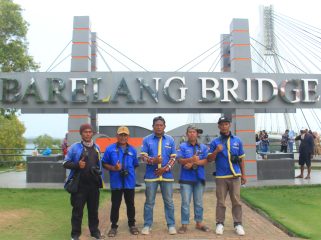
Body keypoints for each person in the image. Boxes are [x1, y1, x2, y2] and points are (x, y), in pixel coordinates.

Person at [63, 124, 104, 240]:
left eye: (90, 132)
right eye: (85, 132)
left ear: (92, 134)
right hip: (79, 186)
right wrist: (77, 165)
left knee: (93, 211)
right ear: (81, 134)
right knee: (77, 212)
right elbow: (64, 163)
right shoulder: (74, 148)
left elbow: (99, 165)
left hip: (93, 186)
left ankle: (95, 232)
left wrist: (97, 172)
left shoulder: (97, 148)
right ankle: (75, 235)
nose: (88, 134)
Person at [207, 116, 246, 236]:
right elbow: (209, 159)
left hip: (235, 175)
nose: (224, 126)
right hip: (221, 176)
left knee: (237, 201)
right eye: (222, 124)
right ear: (219, 126)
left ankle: (238, 224)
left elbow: (241, 159)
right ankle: (220, 223)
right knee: (221, 202)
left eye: (226, 124)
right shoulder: (215, 142)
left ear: (229, 125)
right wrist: (216, 151)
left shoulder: (237, 140)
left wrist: (244, 175)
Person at [140, 116, 177, 235]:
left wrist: (165, 168)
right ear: (153, 127)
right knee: (149, 202)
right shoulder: (146, 139)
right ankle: (147, 225)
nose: (159, 127)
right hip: (151, 176)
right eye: (157, 125)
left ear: (164, 126)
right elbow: (143, 157)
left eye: (161, 125)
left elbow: (173, 157)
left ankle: (171, 225)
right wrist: (153, 161)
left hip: (167, 176)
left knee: (169, 202)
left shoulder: (170, 139)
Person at [102, 126, 139, 237]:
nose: (123, 137)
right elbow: (104, 163)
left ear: (128, 136)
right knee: (115, 205)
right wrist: (114, 168)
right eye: (121, 135)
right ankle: (113, 227)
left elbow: (135, 164)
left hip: (129, 182)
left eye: (125, 135)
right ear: (117, 136)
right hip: (116, 182)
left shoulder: (132, 149)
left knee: (130, 205)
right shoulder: (110, 149)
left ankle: (132, 225)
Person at [177, 125, 209, 234]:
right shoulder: (182, 146)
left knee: (199, 202)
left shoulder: (203, 147)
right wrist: (191, 159)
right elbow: (180, 160)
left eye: (194, 132)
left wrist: (193, 163)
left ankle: (199, 223)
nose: (192, 134)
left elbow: (206, 160)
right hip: (186, 179)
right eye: (190, 132)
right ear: (187, 134)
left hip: (199, 178)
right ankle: (184, 224)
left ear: (197, 134)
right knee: (185, 202)